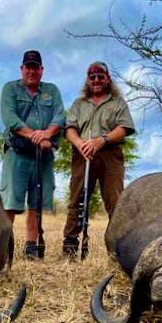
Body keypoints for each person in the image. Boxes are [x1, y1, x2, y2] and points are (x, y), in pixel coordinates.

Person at [62, 61, 135, 258]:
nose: (96, 80)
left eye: (100, 76)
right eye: (92, 77)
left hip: (109, 154)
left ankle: (118, 248)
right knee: (76, 201)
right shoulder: (78, 103)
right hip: (82, 153)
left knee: (115, 202)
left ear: (107, 78)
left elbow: (125, 128)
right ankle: (69, 249)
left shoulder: (118, 102)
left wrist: (101, 140)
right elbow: (69, 129)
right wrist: (81, 144)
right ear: (87, 80)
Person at [0, 50, 66, 259]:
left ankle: (31, 247)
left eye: (35, 67)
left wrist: (47, 134)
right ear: (22, 69)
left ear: (41, 70)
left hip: (43, 157)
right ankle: (2, 247)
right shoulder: (10, 89)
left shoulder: (51, 91)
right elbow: (10, 119)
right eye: (28, 66)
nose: (31, 71)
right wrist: (37, 136)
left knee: (37, 203)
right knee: (9, 203)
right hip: (17, 154)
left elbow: (60, 117)